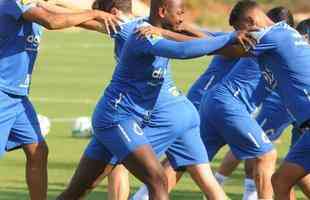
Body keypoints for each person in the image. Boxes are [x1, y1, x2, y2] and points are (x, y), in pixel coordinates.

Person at [56, 0, 253, 199]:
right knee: (157, 179)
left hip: (135, 118)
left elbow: (207, 42)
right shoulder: (143, 34)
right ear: (161, 12)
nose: (182, 18)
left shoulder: (158, 28)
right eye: (179, 12)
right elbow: (183, 51)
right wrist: (229, 37)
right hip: (117, 118)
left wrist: (232, 40)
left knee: (78, 190)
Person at [0, 1, 120, 200]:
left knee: (38, 152)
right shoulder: (15, 2)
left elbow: (67, 15)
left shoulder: (35, 3)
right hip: (2, 94)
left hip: (17, 97)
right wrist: (94, 12)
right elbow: (52, 21)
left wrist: (117, 27)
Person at [223, 1, 310, 199]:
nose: (240, 35)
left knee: (276, 171)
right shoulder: (283, 34)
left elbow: (226, 49)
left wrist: (172, 35)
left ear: (251, 20)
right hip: (306, 127)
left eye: (239, 29)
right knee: (280, 181)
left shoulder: (272, 37)